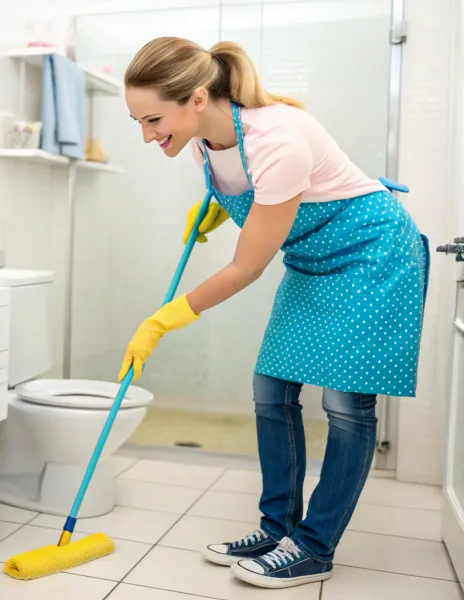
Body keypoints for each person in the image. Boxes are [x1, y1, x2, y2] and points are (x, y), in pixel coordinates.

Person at [120, 37, 429, 589]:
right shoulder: (199, 140)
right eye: (139, 122)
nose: (147, 135)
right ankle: (277, 527)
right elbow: (259, 198)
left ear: (195, 98)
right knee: (271, 389)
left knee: (345, 405)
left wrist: (161, 319)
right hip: (311, 261)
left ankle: (314, 546)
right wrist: (216, 204)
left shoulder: (277, 137)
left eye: (152, 119)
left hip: (371, 254)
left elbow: (246, 267)